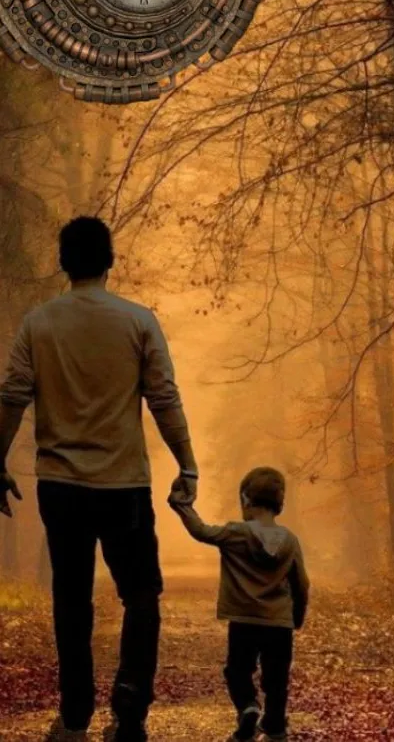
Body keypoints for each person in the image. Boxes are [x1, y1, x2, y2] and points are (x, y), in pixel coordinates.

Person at [0, 216, 199, 742]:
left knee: (71, 597)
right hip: (123, 486)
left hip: (61, 486)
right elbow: (164, 397)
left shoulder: (38, 324)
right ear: (110, 261)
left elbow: (13, 394)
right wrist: (187, 464)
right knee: (140, 594)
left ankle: (74, 714)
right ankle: (130, 710)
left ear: (63, 262)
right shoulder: (137, 321)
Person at [168, 466, 310, 742]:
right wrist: (297, 616)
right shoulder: (290, 541)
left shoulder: (235, 533)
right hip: (279, 623)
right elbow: (301, 584)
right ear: (279, 502)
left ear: (246, 499)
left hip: (244, 621)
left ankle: (248, 707)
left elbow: (200, 531)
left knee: (238, 671)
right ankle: (276, 727)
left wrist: (181, 505)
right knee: (276, 679)